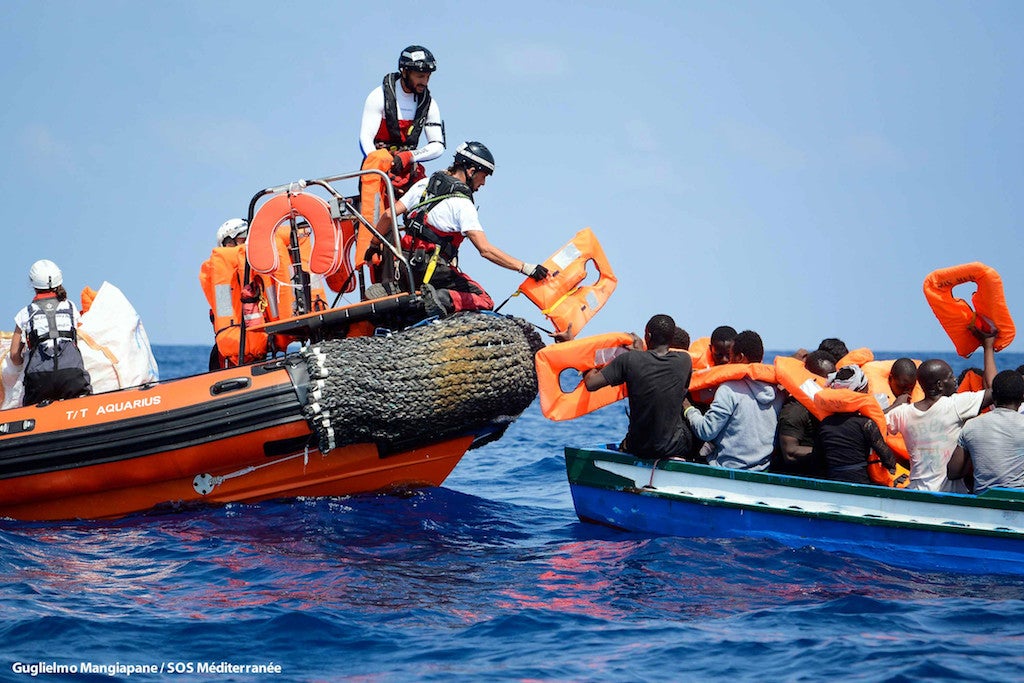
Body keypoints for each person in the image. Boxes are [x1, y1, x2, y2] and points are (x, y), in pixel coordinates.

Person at [369, 141, 549, 314]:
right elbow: (485, 250)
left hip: (404, 265)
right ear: (471, 171)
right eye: (484, 176)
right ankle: (440, 298)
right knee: (484, 299)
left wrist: (374, 245)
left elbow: (388, 215)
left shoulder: (424, 185)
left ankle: (395, 288)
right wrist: (525, 267)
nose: (483, 183)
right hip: (431, 271)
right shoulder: (462, 204)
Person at [886, 327, 997, 492]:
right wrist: (988, 347)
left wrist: (895, 405)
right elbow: (997, 389)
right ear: (939, 385)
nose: (955, 380)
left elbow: (873, 423)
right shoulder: (955, 405)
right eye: (951, 377)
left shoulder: (902, 413)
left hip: (916, 490)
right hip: (949, 494)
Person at [583, 314, 693, 460]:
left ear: (648, 336)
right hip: (673, 447)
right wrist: (640, 354)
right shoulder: (685, 361)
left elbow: (591, 383)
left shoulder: (629, 360)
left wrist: (586, 363)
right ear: (672, 338)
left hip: (638, 447)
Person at [683, 330, 783, 471]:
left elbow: (706, 431)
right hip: (764, 468)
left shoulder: (728, 390)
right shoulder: (779, 393)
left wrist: (689, 409)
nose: (726, 361)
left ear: (739, 357)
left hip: (726, 468)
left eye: (730, 356)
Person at [359, 45, 445, 194]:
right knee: (376, 201)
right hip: (379, 169)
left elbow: (438, 145)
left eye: (428, 77)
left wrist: (409, 156)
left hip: (409, 168)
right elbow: (365, 138)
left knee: (430, 197)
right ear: (405, 72)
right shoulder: (378, 97)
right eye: (420, 76)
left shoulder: (430, 104)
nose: (425, 82)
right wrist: (384, 165)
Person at [8, 259, 92, 405]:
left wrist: (24, 361)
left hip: (39, 380)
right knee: (84, 404)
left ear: (33, 284)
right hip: (72, 375)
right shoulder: (70, 307)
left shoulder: (25, 314)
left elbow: (14, 355)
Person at [200, 218, 269, 370]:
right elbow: (224, 309)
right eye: (242, 239)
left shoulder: (260, 267)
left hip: (260, 344)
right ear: (228, 243)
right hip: (231, 351)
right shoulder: (220, 276)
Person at [815, 365, 899, 485]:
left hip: (832, 480)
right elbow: (888, 458)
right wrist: (892, 467)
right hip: (860, 482)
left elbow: (817, 458)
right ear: (859, 393)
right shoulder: (866, 424)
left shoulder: (824, 424)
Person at [948, 369, 1024, 494]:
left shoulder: (972, 426)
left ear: (993, 396)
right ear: (1022, 397)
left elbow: (953, 472)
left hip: (984, 499)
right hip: (1019, 498)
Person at [772, 350, 835, 476]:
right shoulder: (795, 410)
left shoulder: (832, 407)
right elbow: (790, 453)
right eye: (826, 379)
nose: (829, 384)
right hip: (796, 478)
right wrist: (833, 452)